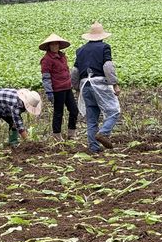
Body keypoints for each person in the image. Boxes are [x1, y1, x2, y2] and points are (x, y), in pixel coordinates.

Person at [70, 22, 121, 153]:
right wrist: (115, 84)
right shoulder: (104, 47)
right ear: (102, 36)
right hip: (99, 84)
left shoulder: (80, 50)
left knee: (92, 118)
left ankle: (93, 148)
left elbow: (75, 71)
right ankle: (103, 133)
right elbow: (108, 67)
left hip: (84, 85)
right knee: (114, 111)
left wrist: (76, 88)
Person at [40, 33, 78, 140]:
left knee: (74, 110)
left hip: (67, 88)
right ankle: (57, 135)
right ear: (49, 46)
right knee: (58, 113)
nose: (54, 46)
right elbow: (46, 77)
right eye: (52, 45)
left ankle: (71, 133)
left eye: (56, 44)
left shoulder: (62, 57)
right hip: (57, 90)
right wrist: (49, 92)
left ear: (59, 45)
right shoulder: (46, 59)